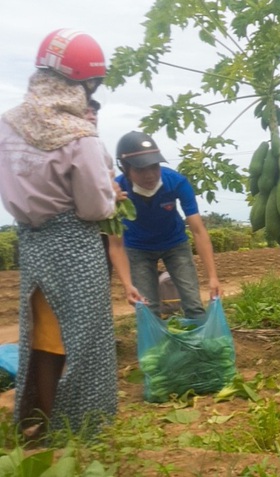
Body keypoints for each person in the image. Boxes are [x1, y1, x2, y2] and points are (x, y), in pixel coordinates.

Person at [0, 28, 120, 440]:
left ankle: (46, 419)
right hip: (75, 245)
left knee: (45, 337)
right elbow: (94, 207)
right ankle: (80, 429)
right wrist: (112, 196)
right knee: (85, 341)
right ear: (84, 85)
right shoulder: (79, 137)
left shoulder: (8, 127)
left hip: (32, 245)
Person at [115, 131, 222, 318]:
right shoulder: (115, 191)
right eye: (141, 169)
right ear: (125, 168)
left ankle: (200, 345)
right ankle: (156, 346)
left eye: (154, 167)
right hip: (137, 249)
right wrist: (126, 284)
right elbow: (115, 243)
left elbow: (198, 230)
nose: (150, 175)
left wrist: (213, 277)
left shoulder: (176, 181)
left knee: (193, 303)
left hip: (175, 244)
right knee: (147, 309)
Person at [84, 99, 143, 306]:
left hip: (101, 232)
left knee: (100, 290)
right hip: (78, 235)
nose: (92, 116)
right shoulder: (68, 150)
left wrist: (112, 195)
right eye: (86, 112)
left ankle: (99, 336)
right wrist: (108, 195)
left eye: (94, 112)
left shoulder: (99, 148)